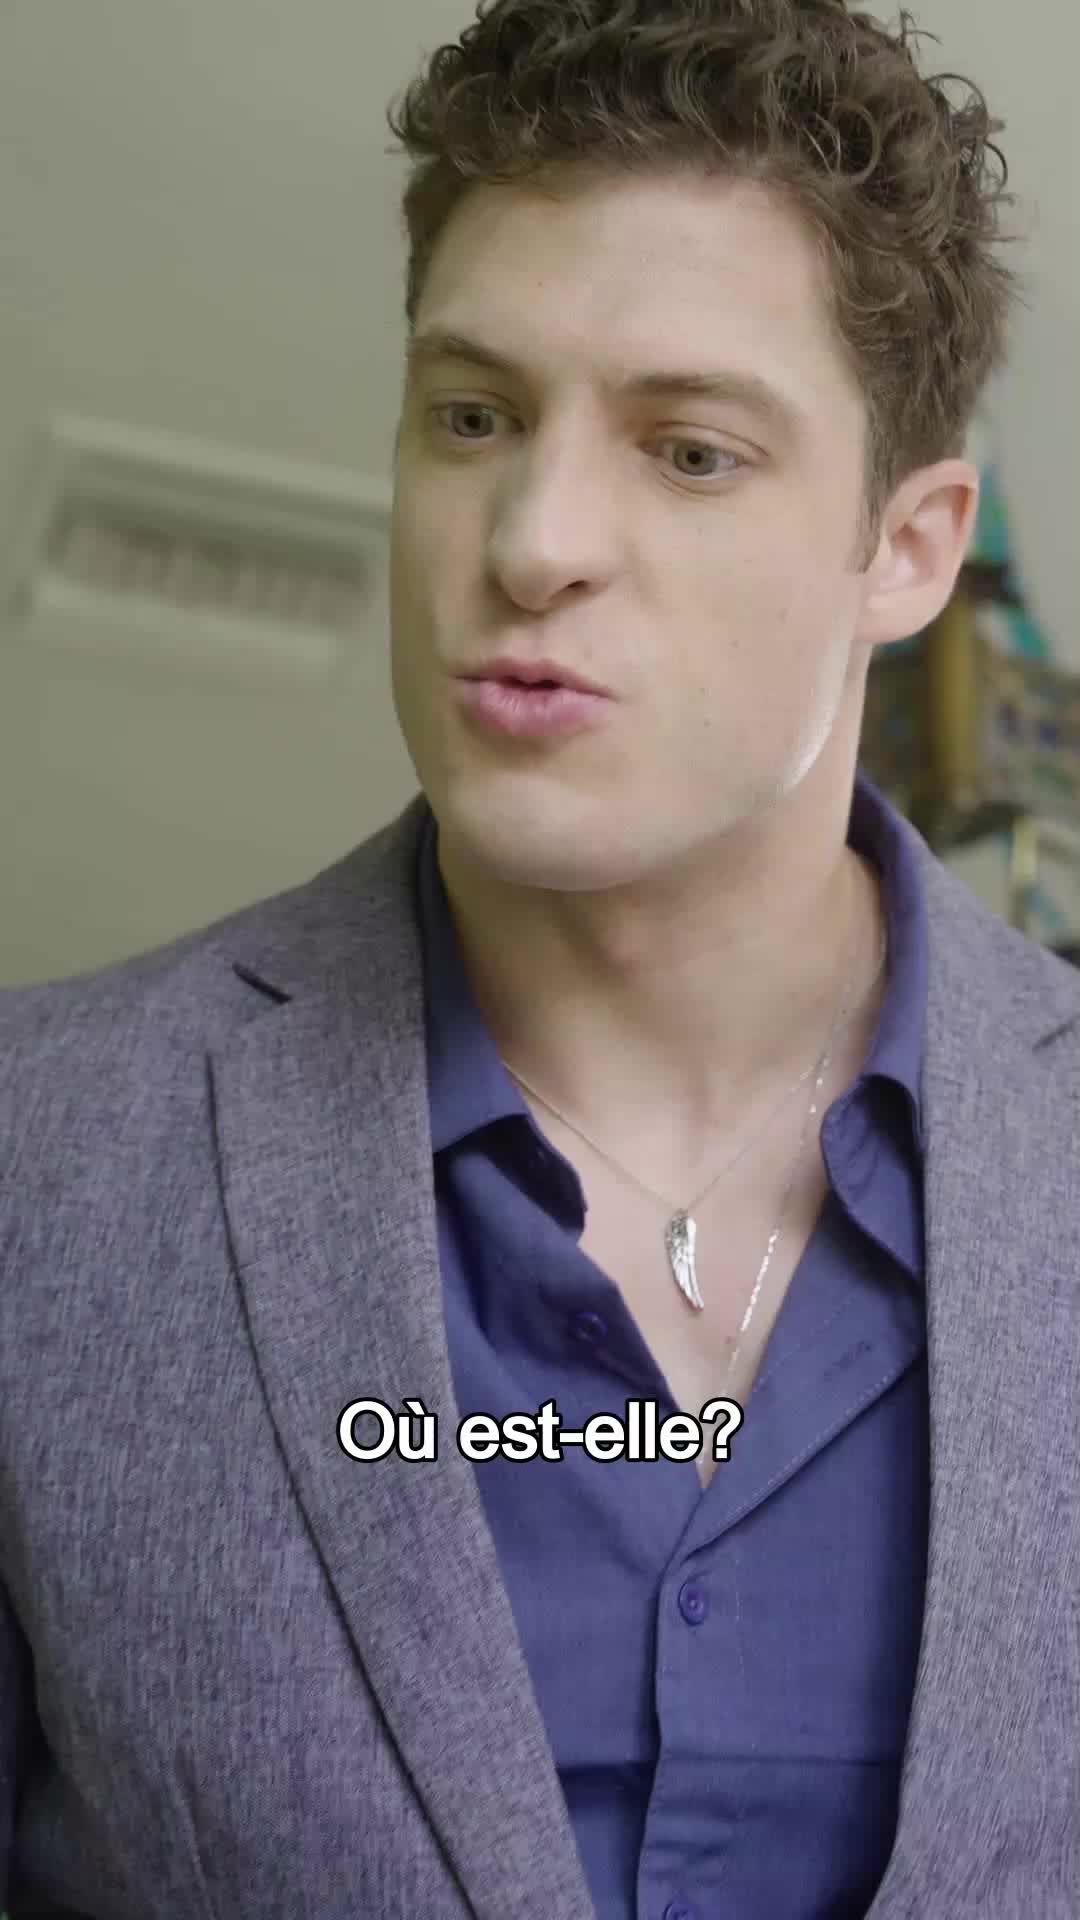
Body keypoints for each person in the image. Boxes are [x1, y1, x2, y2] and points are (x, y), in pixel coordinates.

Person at [1, 2, 1076, 1916]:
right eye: (475, 417)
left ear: (908, 551)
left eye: (690, 451)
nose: (533, 539)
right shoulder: (39, 1163)